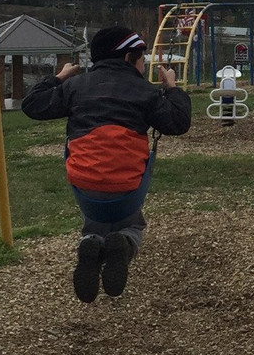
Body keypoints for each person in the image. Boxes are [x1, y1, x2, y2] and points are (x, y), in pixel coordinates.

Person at [21, 26, 192, 302]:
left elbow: (32, 105)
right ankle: (124, 243)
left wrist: (59, 77)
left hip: (85, 185)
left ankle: (91, 243)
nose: (143, 64)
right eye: (141, 58)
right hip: (127, 187)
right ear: (127, 59)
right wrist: (172, 89)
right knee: (131, 224)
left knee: (96, 207)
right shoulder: (145, 92)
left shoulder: (75, 86)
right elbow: (178, 123)